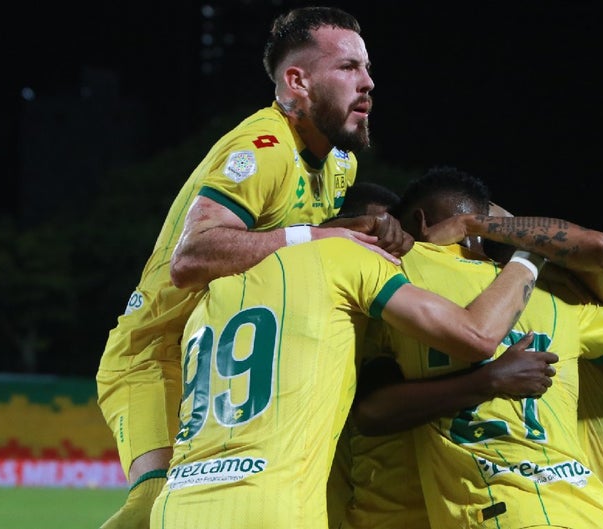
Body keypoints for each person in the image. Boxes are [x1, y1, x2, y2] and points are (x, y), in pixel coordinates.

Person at [95, 7, 411, 528]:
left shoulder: (340, 162)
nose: (368, 82)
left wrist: (356, 226)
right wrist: (325, 235)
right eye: (348, 67)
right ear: (297, 82)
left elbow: (291, 247)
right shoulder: (262, 148)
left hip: (231, 355)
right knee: (154, 507)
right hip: (157, 354)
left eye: (367, 67)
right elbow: (191, 257)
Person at [346, 167, 603, 528]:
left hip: (497, 512)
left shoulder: (395, 274)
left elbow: (373, 412)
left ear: (418, 223)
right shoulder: (555, 290)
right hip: (591, 511)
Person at [148, 233, 543, 528]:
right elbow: (477, 335)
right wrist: (532, 253)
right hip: (271, 504)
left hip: (176, 506)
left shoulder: (207, 297)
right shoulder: (342, 257)